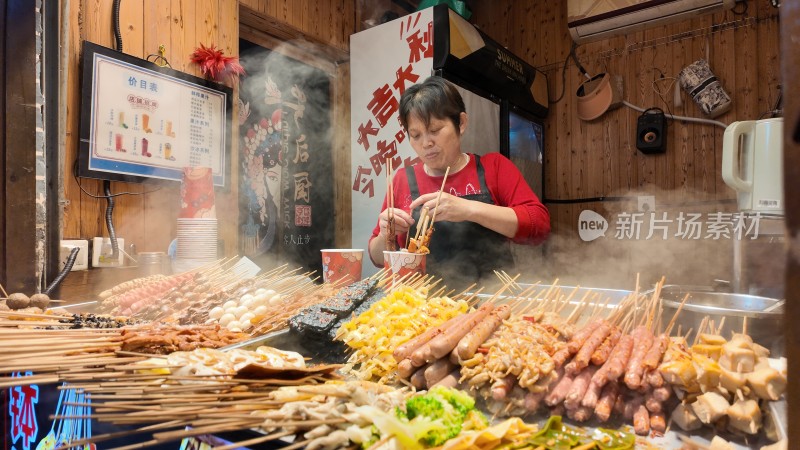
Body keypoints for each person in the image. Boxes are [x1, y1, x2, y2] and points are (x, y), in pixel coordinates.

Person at [367, 76, 550, 286]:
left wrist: (468, 209)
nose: (426, 143)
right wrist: (385, 235)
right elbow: (378, 258)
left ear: (461, 123)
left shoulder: (494, 167)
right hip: (423, 308)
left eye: (434, 130)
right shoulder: (402, 179)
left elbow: (540, 226)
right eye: (415, 135)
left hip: (492, 301)